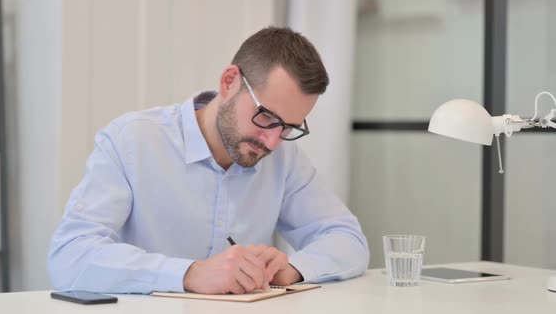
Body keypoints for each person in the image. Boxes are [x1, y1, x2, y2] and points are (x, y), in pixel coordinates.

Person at [47, 26, 369, 295]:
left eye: (288, 127)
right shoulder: (131, 141)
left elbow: (348, 240)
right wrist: (189, 274)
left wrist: (293, 268)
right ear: (229, 82)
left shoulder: (283, 159)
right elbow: (68, 258)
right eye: (267, 117)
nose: (272, 141)